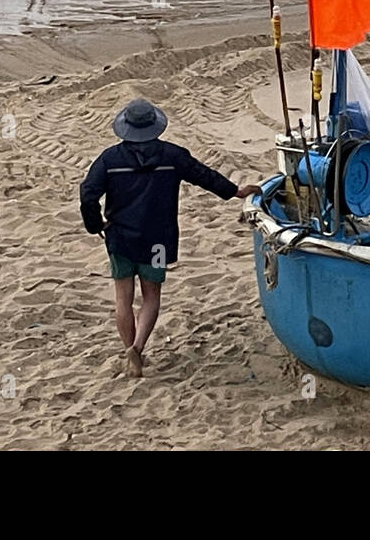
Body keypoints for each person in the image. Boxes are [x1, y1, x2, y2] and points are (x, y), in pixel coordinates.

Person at [80, 98, 260, 377]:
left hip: (120, 237)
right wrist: (234, 191)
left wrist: (96, 225)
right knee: (151, 296)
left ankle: (129, 349)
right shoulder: (172, 156)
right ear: (155, 127)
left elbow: (88, 194)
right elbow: (204, 175)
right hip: (158, 238)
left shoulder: (109, 159)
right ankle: (138, 348)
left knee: (122, 297)